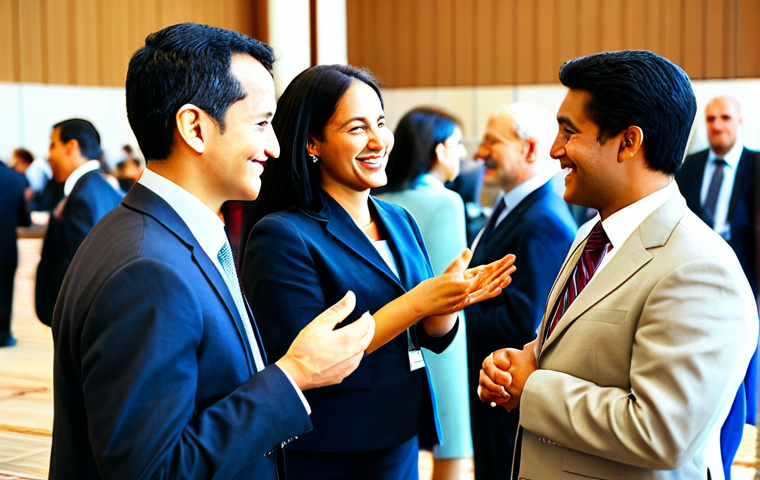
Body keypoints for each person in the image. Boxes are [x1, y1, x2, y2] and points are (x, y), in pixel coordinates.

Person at [49, 23, 376, 480]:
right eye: (263, 123)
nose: (276, 146)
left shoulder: (151, 233)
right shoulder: (148, 271)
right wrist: (293, 375)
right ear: (194, 128)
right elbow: (152, 471)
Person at [479, 50, 758, 480]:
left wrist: (531, 389)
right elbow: (581, 350)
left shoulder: (699, 269)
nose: (556, 150)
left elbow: (660, 431)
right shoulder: (590, 236)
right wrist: (522, 360)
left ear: (629, 142)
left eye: (569, 133)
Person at [239, 64, 515, 480]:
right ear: (313, 141)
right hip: (332, 450)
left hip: (400, 437)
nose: (378, 141)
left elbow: (425, 335)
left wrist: (446, 306)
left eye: (381, 123)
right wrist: (419, 300)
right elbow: (306, 358)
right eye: (356, 128)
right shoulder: (282, 234)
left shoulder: (398, 219)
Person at [466, 102, 577, 479]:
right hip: (489, 386)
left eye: (491, 142)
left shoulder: (542, 219)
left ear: (529, 149)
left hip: (506, 389)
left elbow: (524, 320)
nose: (480, 153)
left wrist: (453, 304)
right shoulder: (511, 205)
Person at [374, 106, 473, 480]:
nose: (462, 153)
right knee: (450, 449)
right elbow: (453, 287)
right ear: (439, 150)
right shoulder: (446, 201)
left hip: (391, 336)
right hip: (441, 339)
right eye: (457, 143)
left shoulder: (384, 201)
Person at [676, 94, 760, 480]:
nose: (717, 125)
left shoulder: (757, 165)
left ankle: (740, 443)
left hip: (746, 278)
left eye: (725, 117)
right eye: (710, 119)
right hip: (694, 280)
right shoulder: (688, 167)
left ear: (740, 121)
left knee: (743, 377)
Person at [35, 119, 124, 327]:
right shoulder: (102, 188)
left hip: (81, 318)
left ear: (71, 147)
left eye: (53, 144)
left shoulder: (83, 195)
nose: (49, 155)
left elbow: (82, 267)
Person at [0, 160, 30, 347]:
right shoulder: (16, 179)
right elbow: (24, 220)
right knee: (4, 292)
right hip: (5, 246)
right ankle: (3, 335)